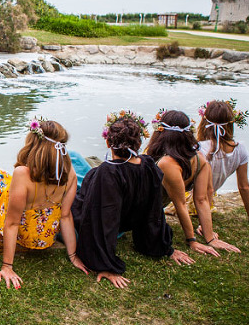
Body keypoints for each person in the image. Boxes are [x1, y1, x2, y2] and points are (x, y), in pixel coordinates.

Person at [72, 111, 195, 289]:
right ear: (139, 142)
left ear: (108, 143)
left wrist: (105, 265)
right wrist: (163, 246)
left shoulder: (108, 172)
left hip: (108, 223)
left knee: (73, 161)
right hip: (126, 221)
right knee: (84, 170)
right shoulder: (149, 165)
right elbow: (154, 211)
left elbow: (102, 219)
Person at [0, 118, 88, 289]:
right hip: (44, 241)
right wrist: (73, 255)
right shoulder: (69, 173)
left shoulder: (22, 174)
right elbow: (65, 216)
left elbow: (12, 224)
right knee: (0, 178)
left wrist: (7, 266)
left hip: (12, 241)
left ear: (33, 144)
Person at [146, 110, 241, 256]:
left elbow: (192, 201)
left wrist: (203, 239)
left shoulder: (173, 162)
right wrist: (197, 239)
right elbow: (196, 201)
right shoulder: (198, 158)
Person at [197, 99, 249, 232]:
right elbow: (244, 186)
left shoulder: (200, 148)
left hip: (195, 200)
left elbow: (205, 191)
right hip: (205, 200)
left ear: (205, 122)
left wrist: (203, 225)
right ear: (231, 124)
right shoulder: (240, 149)